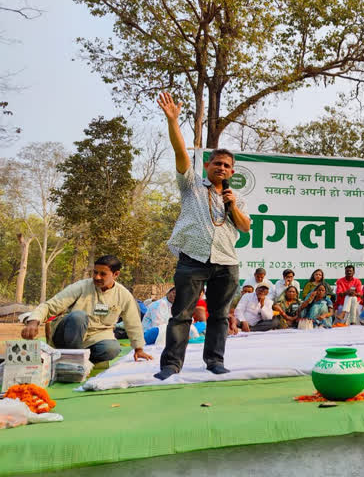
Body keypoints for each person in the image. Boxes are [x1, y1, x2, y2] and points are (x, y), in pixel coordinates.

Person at [155, 91, 251, 380]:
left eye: (226, 165)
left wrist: (232, 204)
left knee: (219, 316)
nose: (221, 168)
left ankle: (215, 361)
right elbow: (180, 153)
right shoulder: (191, 186)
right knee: (182, 314)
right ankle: (171, 365)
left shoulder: (238, 198)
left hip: (226, 262)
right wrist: (173, 121)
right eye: (216, 163)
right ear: (207, 165)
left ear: (231, 171)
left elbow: (245, 227)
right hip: (192, 259)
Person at [20, 255, 152, 364]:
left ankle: (79, 360)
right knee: (78, 316)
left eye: (102, 274)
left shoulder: (124, 295)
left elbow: (133, 323)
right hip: (67, 336)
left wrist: (138, 349)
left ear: (115, 274)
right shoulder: (81, 286)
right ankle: (73, 360)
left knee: (112, 349)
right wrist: (33, 321)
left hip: (96, 338)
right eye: (95, 272)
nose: (97, 277)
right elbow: (50, 305)